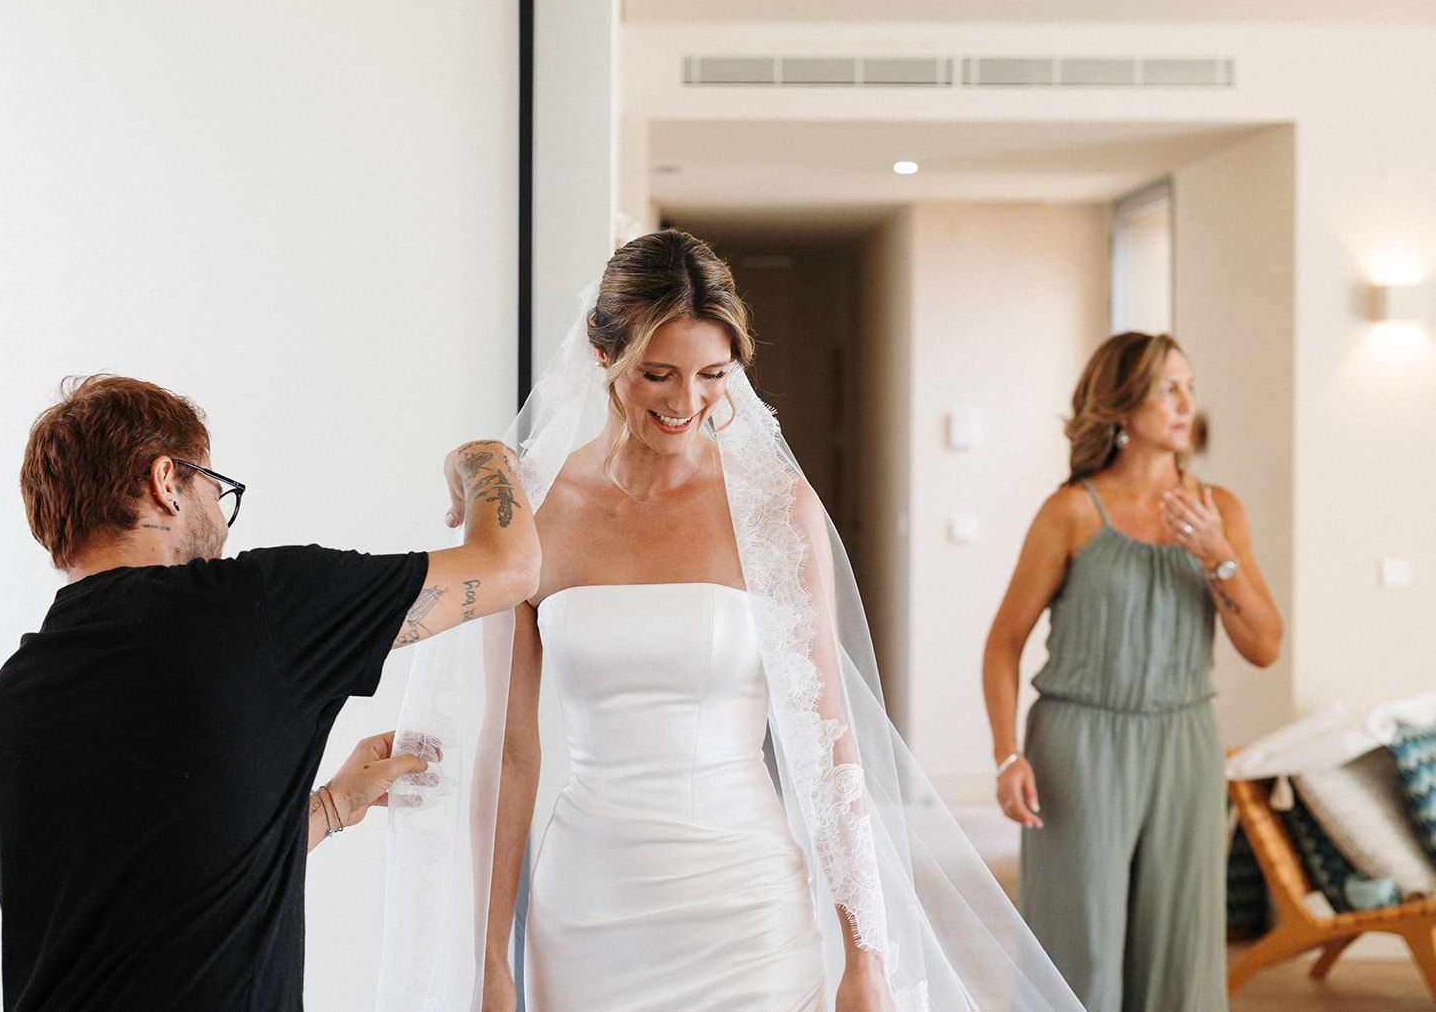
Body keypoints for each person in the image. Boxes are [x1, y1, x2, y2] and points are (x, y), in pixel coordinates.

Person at [443, 230, 1081, 1012]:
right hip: (589, 909)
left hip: (747, 904)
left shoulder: (776, 510)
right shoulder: (535, 509)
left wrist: (866, 955)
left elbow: (828, 743)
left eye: (713, 375)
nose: (686, 403)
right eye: (658, 374)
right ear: (602, 352)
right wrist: (487, 958)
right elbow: (510, 753)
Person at [0, 374, 539, 1010]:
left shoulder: (14, 697)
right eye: (216, 488)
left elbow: (158, 885)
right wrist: (481, 457)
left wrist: (333, 805)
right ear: (167, 482)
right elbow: (512, 567)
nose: (221, 517)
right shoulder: (253, 607)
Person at [983, 333, 1283, 1011]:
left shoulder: (1221, 510)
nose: (1186, 403)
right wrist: (1007, 755)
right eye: (1166, 388)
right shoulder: (1069, 511)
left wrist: (1216, 554)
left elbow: (1264, 645)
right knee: (1078, 944)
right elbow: (1003, 643)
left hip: (1185, 742)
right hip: (1077, 744)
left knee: (1180, 947)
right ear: (1121, 407)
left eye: (1189, 385)